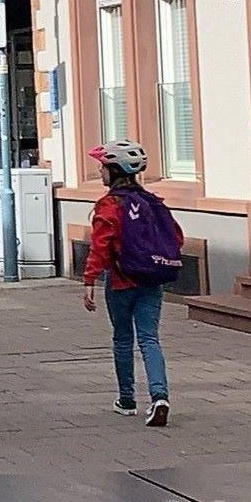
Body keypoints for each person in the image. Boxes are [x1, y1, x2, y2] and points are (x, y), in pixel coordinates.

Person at [82, 140, 183, 426]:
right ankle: (159, 396)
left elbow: (99, 245)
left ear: (115, 171)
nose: (100, 172)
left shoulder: (109, 206)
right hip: (152, 280)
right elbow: (176, 238)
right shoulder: (152, 202)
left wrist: (89, 279)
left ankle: (126, 400)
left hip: (120, 281)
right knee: (150, 339)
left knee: (123, 339)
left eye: (103, 167)